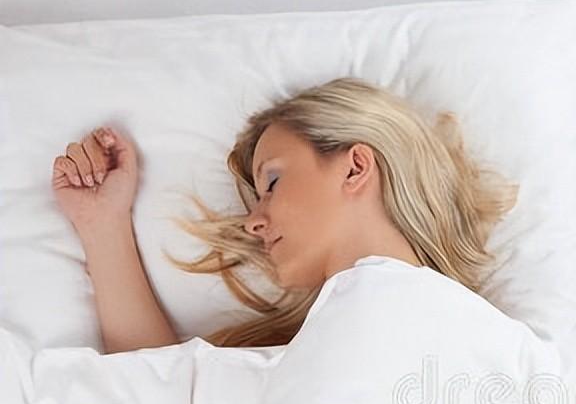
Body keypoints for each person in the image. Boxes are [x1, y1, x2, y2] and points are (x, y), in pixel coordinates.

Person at [50, 76, 516, 350]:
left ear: (355, 167)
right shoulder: (293, 357)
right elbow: (160, 403)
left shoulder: (483, 344)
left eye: (271, 183)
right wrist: (102, 225)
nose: (252, 222)